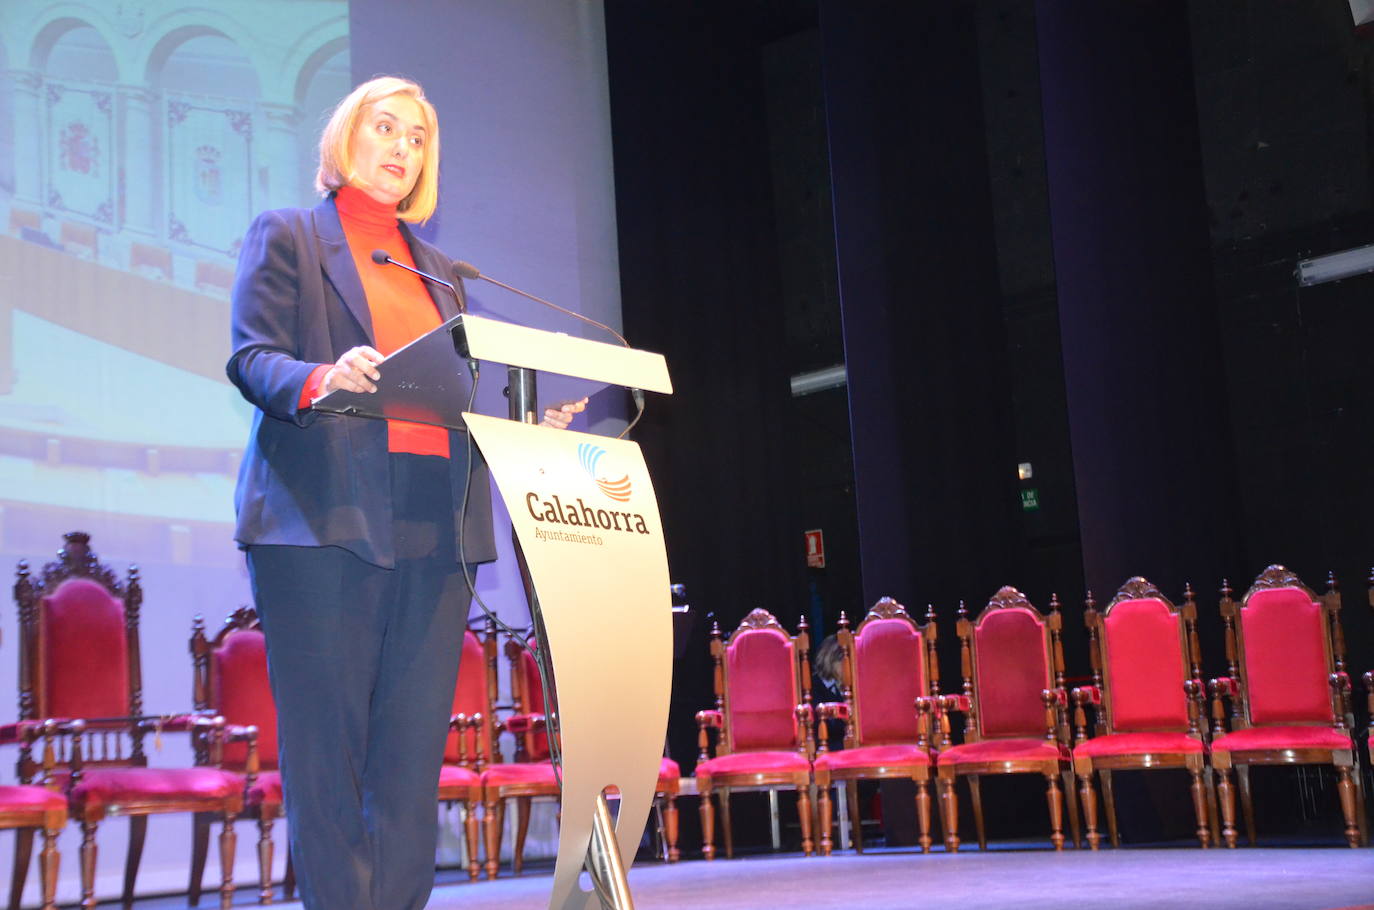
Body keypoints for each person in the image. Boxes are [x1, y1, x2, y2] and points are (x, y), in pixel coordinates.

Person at [226, 75, 584, 910]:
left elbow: (456, 396)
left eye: (417, 138)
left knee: (408, 758)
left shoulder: (440, 271)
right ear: (346, 137)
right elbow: (252, 357)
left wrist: (531, 427)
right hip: (321, 522)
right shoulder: (287, 237)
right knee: (329, 755)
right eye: (385, 128)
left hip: (434, 525)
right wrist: (323, 376)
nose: (400, 148)